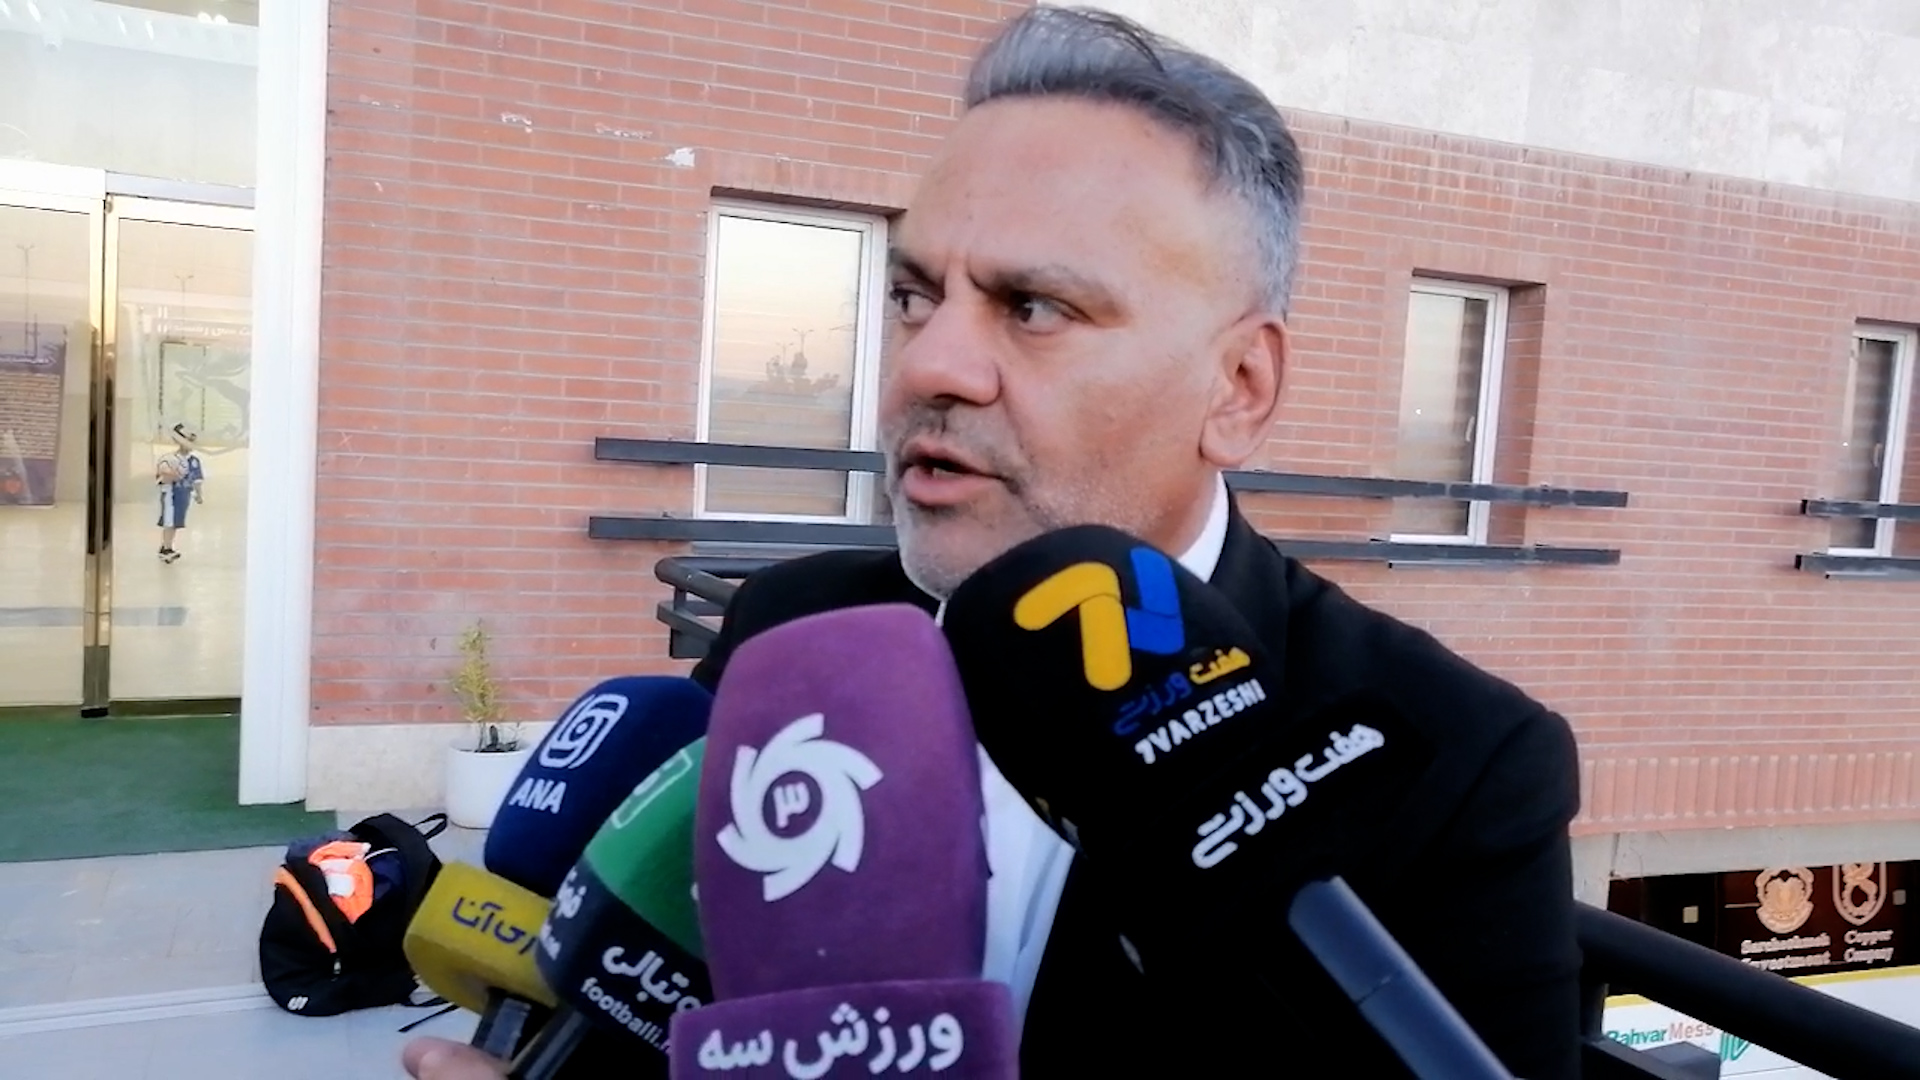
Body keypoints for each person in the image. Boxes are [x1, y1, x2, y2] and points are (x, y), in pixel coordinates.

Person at [403, 6, 1580, 1077]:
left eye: (1034, 307)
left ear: (1238, 387)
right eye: (915, 296)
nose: (929, 365)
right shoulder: (793, 631)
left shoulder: (1449, 764)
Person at [154, 422, 204, 563]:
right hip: (171, 494)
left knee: (176, 522)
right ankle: (167, 549)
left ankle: (167, 545)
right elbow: (161, 477)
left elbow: (197, 480)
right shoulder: (170, 459)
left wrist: (198, 494)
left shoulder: (194, 461)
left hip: (184, 495)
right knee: (169, 521)